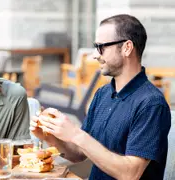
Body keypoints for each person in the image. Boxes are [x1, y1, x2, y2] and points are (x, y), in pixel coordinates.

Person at [30, 14, 171, 180]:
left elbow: (130, 174)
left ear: (127, 48)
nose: (95, 55)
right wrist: (51, 137)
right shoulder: (103, 94)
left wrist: (75, 134)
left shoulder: (151, 104)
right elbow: (78, 154)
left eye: (101, 47)